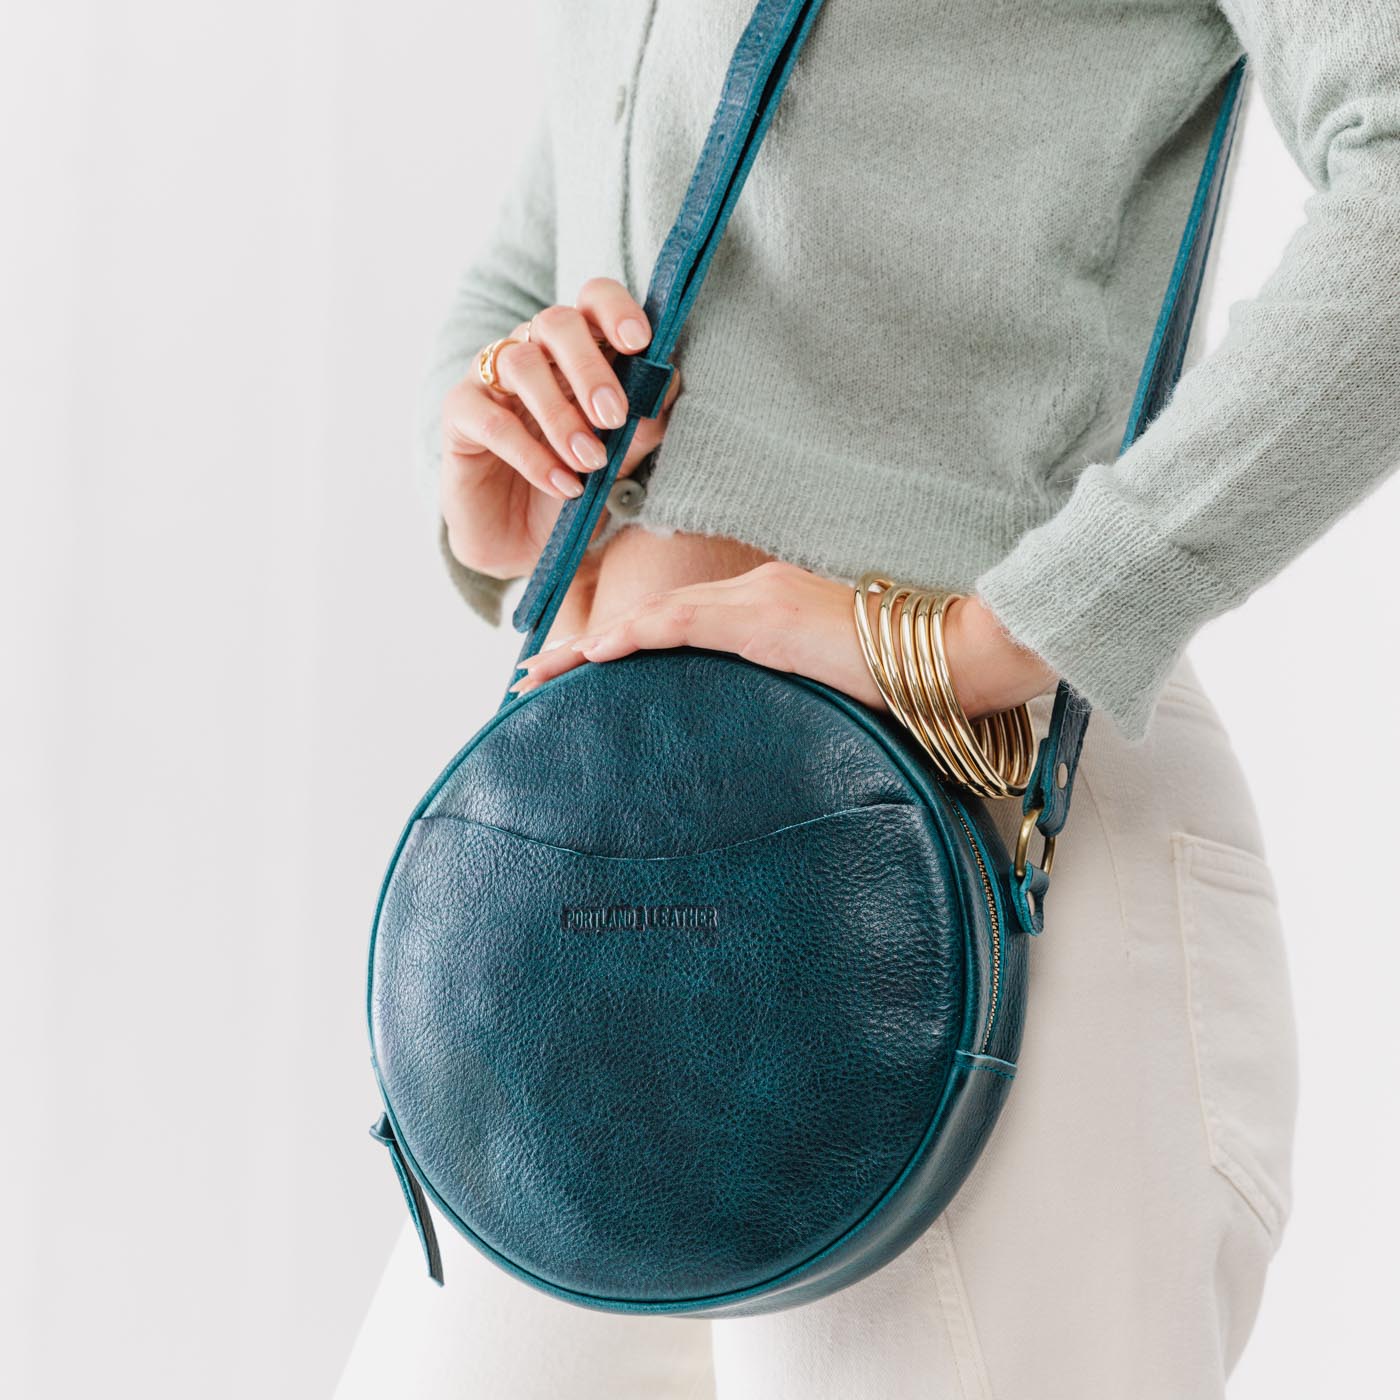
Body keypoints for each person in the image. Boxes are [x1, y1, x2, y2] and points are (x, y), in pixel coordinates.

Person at [338, 1, 1399, 1395]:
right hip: (591, 863)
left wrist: (975, 644)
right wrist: (500, 458)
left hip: (984, 851)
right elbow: (569, 203)